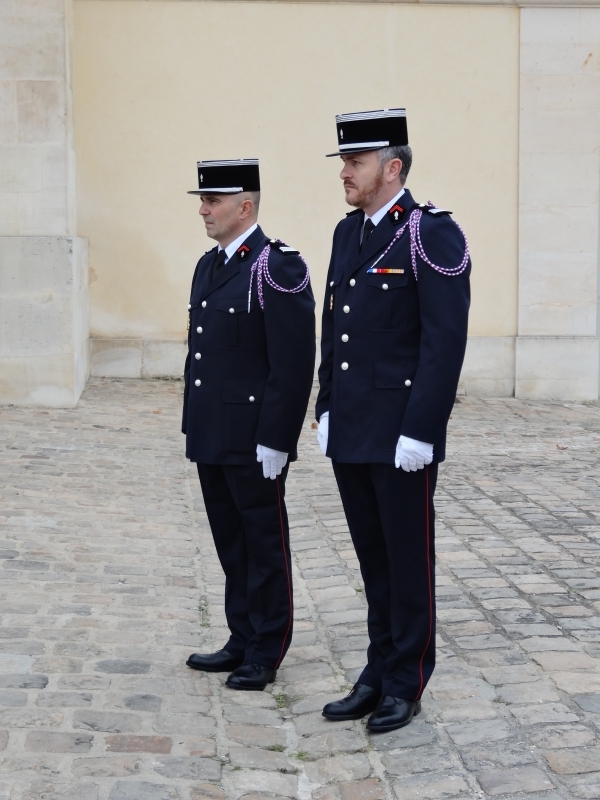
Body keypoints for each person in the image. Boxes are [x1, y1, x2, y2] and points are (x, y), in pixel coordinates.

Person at [316, 109, 471, 731]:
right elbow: (335, 329)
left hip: (402, 432)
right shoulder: (346, 233)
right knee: (372, 559)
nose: (346, 174)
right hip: (353, 426)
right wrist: (326, 404)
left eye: (355, 163)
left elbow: (444, 341)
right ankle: (376, 672)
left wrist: (423, 430)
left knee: (408, 560)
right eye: (345, 164)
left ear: (393, 167)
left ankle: (405, 679)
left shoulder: (431, 234)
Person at [183, 159, 315, 690]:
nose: (203, 209)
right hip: (213, 431)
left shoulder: (276, 266)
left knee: (263, 542)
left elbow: (293, 362)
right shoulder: (208, 265)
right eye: (203, 200)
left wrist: (277, 440)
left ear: (245, 206)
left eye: (212, 201)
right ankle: (241, 635)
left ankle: (267, 646)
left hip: (254, 437)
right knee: (229, 541)